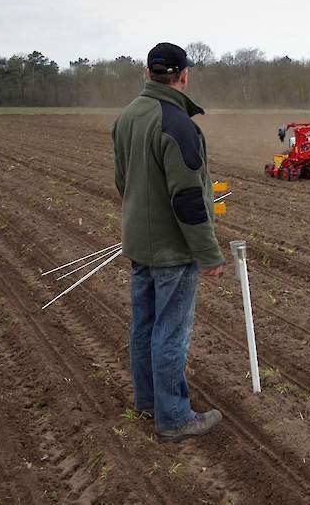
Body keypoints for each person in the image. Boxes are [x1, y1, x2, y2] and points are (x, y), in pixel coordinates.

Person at [112, 42, 225, 442]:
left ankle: (147, 401)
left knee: (144, 326)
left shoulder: (127, 117)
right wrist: (208, 253)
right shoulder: (177, 125)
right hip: (172, 252)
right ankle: (174, 417)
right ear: (183, 76)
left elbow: (123, 182)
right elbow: (189, 199)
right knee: (170, 333)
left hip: (140, 245)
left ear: (147, 73)